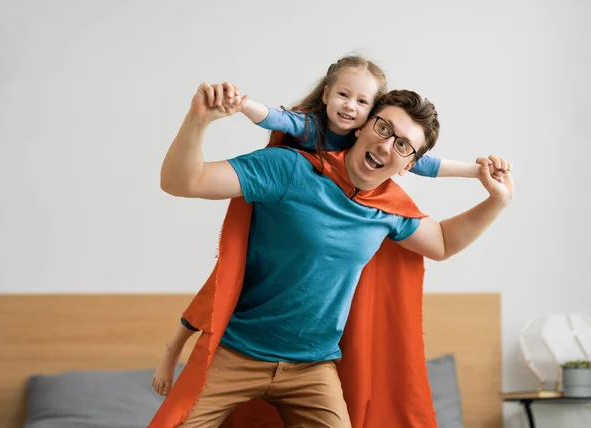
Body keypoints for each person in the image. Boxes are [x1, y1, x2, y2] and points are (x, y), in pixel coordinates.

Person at [148, 81, 514, 428]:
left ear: (408, 166)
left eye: (404, 146)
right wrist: (198, 120)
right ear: (361, 127)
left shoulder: (388, 210)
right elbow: (182, 182)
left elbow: (444, 243)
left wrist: (497, 201)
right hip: (238, 352)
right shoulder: (289, 169)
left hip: (313, 367)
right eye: (384, 129)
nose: (388, 147)